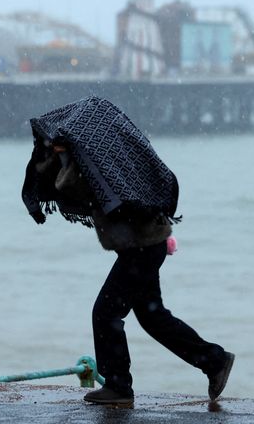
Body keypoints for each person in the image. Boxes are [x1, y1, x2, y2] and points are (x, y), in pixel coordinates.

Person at [22, 96, 235, 407]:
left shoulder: (100, 164)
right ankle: (214, 361)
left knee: (105, 313)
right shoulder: (110, 155)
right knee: (153, 317)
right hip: (145, 246)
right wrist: (64, 156)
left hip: (143, 248)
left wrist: (67, 159)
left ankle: (119, 387)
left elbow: (77, 190)